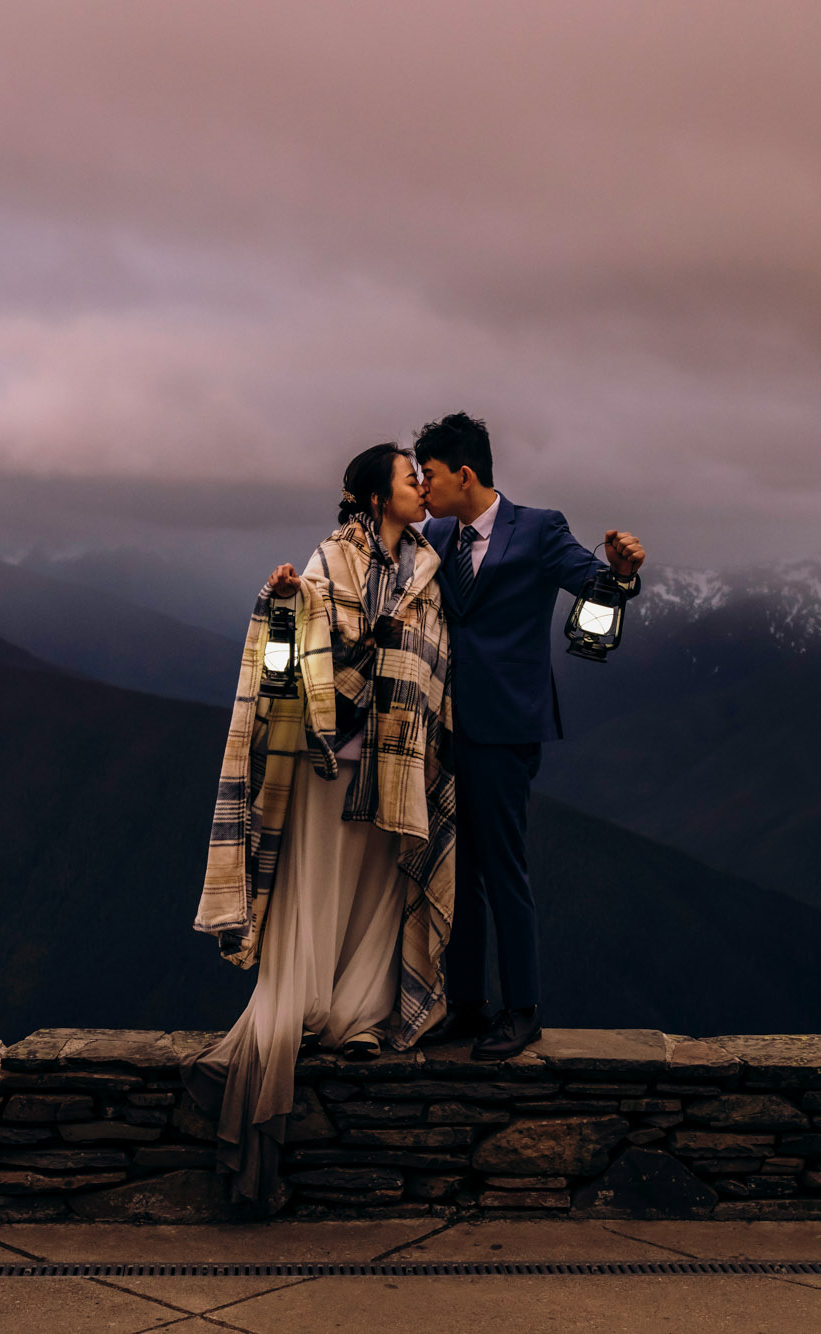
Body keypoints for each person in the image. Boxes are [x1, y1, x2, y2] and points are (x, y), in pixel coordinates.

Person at [183, 444, 457, 1205]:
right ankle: (303, 1008)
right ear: (374, 497)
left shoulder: (430, 572)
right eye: (409, 477)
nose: (420, 486)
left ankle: (358, 1013)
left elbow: (437, 665)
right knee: (321, 887)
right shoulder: (325, 564)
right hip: (332, 762)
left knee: (378, 889)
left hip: (398, 762)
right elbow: (283, 670)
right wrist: (280, 608)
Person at [414, 412, 645, 1059]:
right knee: (454, 872)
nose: (422, 487)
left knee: (501, 869)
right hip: (442, 732)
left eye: (429, 475)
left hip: (505, 730)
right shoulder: (433, 535)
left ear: (465, 474)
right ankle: (465, 1005)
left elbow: (593, 583)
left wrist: (622, 572)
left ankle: (521, 1010)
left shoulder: (539, 528)